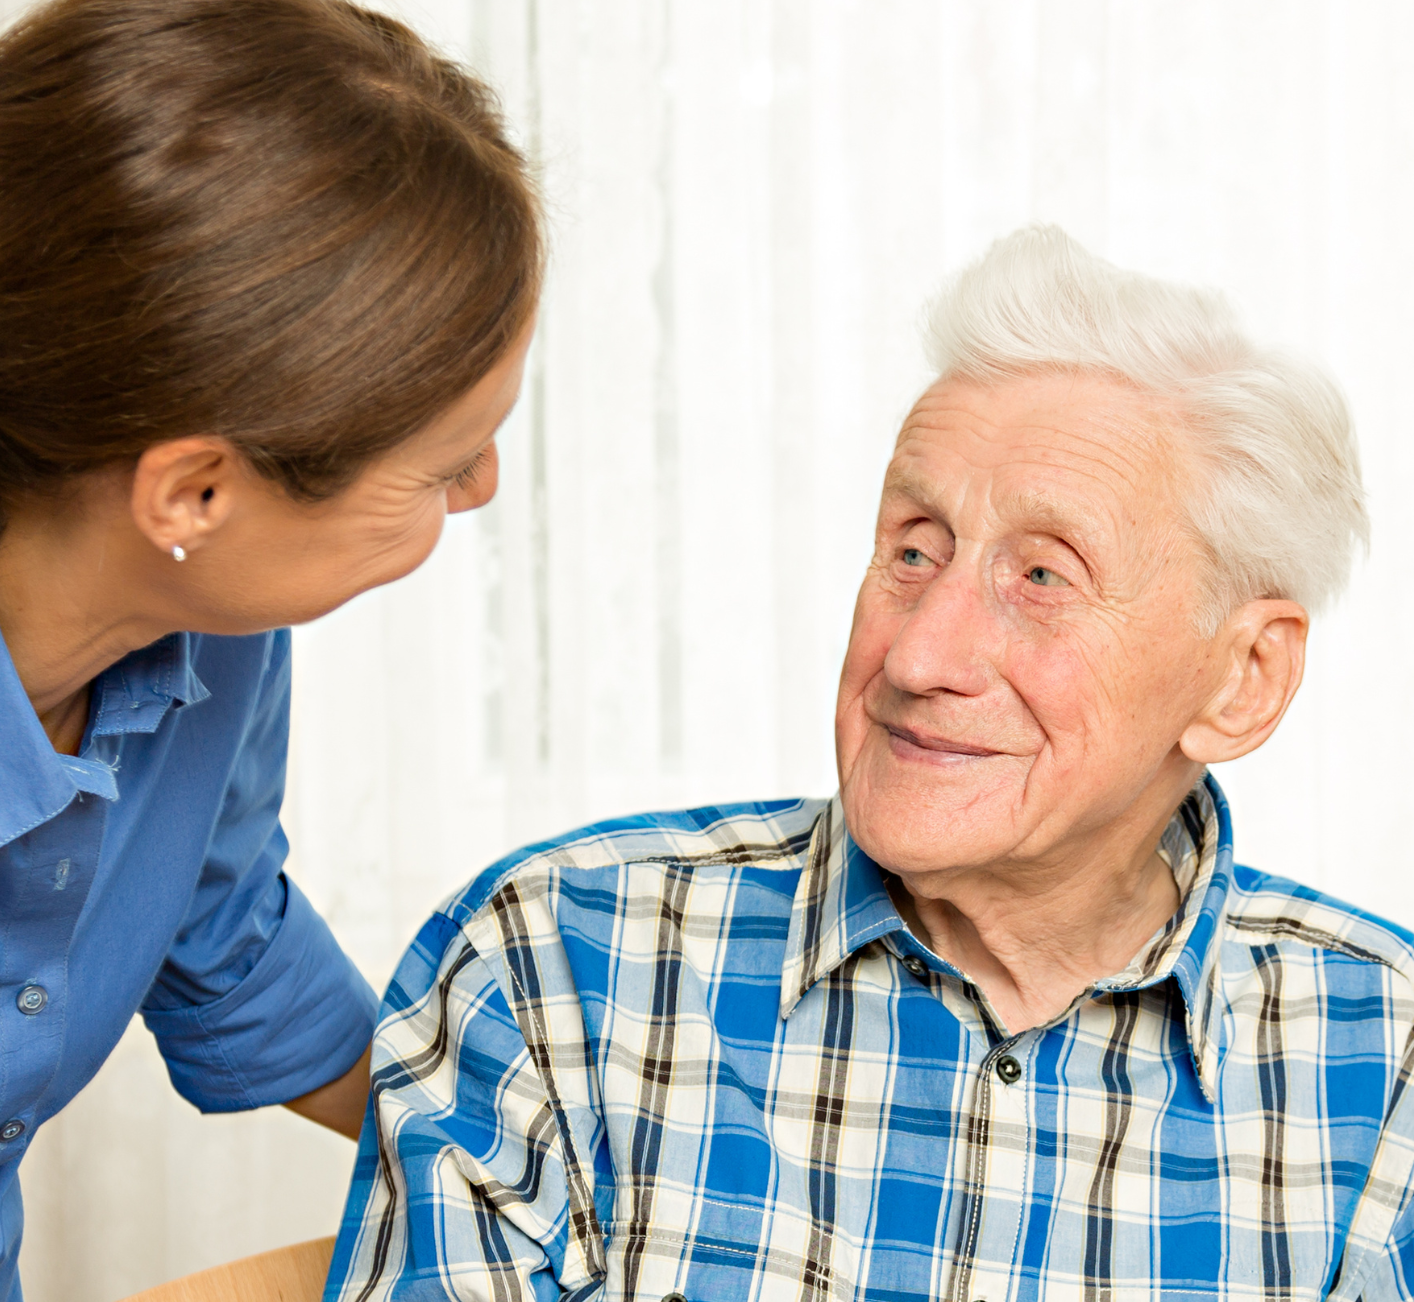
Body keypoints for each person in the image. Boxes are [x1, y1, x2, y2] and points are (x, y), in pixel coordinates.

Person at [325, 226, 1414, 1301]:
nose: (919, 653)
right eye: (911, 550)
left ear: (1242, 679)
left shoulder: (1389, 1059)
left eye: (1041, 577)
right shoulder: (554, 960)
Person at [0, 0, 541, 1295]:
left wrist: (534, 1138)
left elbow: (217, 927)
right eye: (437, 463)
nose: (483, 487)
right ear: (193, 493)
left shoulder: (203, 635)